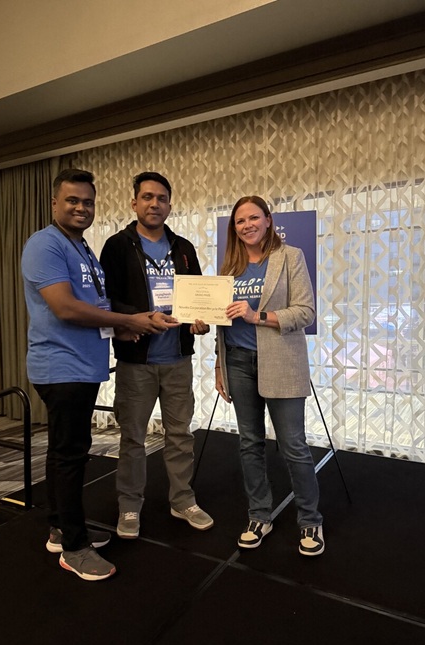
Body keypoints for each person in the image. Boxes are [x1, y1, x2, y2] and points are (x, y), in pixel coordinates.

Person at [21, 168, 177, 581]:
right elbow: (66, 307)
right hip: (61, 366)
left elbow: (96, 305)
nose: (81, 208)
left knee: (64, 451)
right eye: (72, 200)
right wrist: (129, 320)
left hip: (83, 365)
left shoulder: (82, 248)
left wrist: (120, 328)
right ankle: (74, 548)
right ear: (54, 203)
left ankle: (61, 529)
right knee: (71, 455)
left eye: (87, 202)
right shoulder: (45, 244)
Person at [100, 171, 214, 539]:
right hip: (136, 361)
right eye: (147, 197)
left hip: (177, 359)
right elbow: (107, 299)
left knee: (180, 434)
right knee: (133, 438)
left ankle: (182, 500)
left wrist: (200, 321)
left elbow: (198, 296)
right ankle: (130, 505)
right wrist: (137, 318)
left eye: (161, 198)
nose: (154, 204)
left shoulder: (183, 247)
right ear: (134, 203)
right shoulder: (117, 246)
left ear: (169, 205)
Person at [215, 196, 324, 555]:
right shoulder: (229, 267)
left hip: (281, 361)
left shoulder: (290, 257)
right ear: (234, 228)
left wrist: (257, 316)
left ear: (268, 220)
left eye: (253, 218)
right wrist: (218, 364)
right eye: (240, 221)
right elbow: (221, 321)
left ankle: (310, 520)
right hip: (237, 361)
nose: (247, 225)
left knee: (293, 445)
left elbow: (305, 312)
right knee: (250, 443)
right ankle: (259, 515)